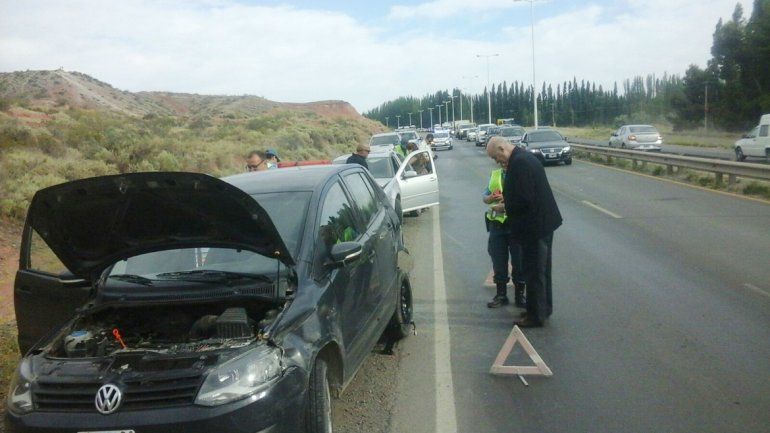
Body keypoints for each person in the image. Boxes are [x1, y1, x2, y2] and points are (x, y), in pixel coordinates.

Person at [486, 137, 562, 328]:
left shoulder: (519, 163)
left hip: (534, 227)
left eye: (496, 157)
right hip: (542, 223)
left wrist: (504, 208)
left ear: (502, 148)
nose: (498, 162)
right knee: (542, 270)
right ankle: (542, 308)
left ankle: (535, 316)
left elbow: (524, 199)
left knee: (534, 272)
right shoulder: (525, 157)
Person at [483, 161, 526, 309]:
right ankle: (501, 295)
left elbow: (525, 198)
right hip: (497, 226)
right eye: (499, 161)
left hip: (515, 225)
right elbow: (485, 196)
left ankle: (520, 296)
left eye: (505, 161)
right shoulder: (495, 175)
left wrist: (507, 203)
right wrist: (490, 198)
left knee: (519, 261)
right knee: (498, 261)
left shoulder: (520, 175)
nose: (502, 164)